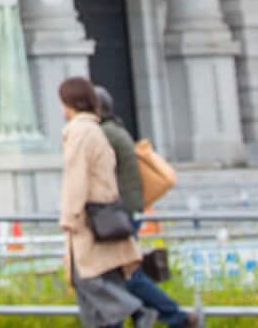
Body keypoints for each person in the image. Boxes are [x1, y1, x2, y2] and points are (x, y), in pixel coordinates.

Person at [95, 87, 194, 328]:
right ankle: (166, 316)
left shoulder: (105, 135)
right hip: (122, 214)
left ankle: (174, 316)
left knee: (126, 274)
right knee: (118, 274)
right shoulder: (115, 131)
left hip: (116, 216)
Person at [58, 76, 141, 328]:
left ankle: (136, 311)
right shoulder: (94, 129)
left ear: (69, 103)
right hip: (104, 215)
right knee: (98, 291)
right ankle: (133, 311)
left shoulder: (79, 132)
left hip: (89, 220)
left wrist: (69, 217)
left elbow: (76, 177)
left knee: (87, 280)